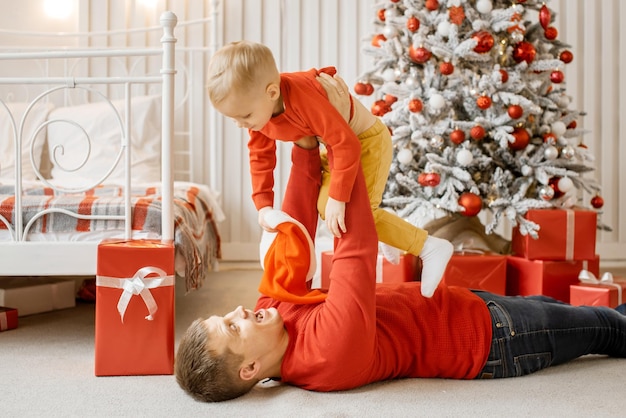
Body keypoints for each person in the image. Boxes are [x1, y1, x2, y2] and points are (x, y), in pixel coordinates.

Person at [175, 139, 626, 402]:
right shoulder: (327, 355)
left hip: (467, 306)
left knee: (561, 307)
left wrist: (307, 147)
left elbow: (295, 230)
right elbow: (356, 246)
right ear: (252, 368)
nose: (237, 311)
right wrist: (344, 149)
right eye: (231, 328)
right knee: (602, 328)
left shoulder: (271, 314)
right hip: (493, 340)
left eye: (225, 316)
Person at [205, 40, 453, 297]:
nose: (240, 124)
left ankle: (429, 247)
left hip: (367, 142)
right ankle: (388, 235)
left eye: (244, 116)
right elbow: (260, 156)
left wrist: (338, 196)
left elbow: (346, 143)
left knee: (346, 213)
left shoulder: (302, 99)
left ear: (271, 93)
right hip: (333, 148)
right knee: (344, 210)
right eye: (233, 118)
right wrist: (264, 204)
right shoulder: (260, 116)